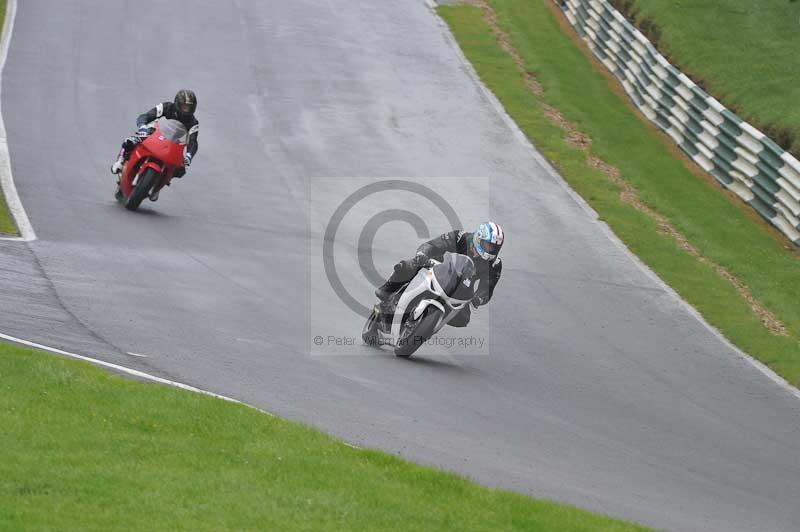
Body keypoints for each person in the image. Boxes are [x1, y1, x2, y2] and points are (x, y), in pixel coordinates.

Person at [374, 222, 504, 327]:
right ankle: (388, 290)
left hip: (462, 286)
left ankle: (429, 325)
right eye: (488, 245)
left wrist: (478, 298)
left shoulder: (495, 264)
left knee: (462, 319)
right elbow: (433, 244)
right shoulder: (460, 237)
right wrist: (422, 255)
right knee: (408, 265)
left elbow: (487, 288)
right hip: (436, 267)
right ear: (479, 238)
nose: (491, 250)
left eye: (494, 248)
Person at [110, 89, 199, 200]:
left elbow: (193, 142)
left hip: (174, 144)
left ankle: (158, 186)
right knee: (130, 141)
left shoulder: (193, 122)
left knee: (181, 169)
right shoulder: (166, 107)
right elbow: (146, 116)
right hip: (154, 133)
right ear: (177, 103)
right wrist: (143, 127)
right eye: (184, 106)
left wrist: (189, 156)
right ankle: (120, 161)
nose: (186, 110)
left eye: (189, 107)